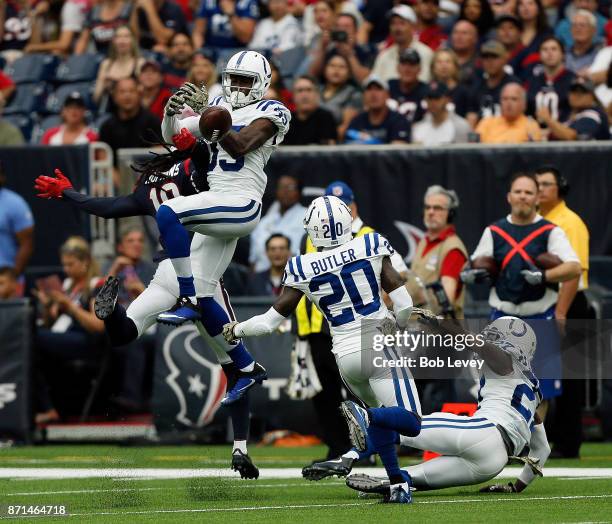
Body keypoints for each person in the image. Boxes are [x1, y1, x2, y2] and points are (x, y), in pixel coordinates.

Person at [33, 135, 260, 479]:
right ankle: (240, 447)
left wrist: (68, 192)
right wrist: (197, 137)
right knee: (236, 367)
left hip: (163, 271)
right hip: (198, 274)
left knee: (124, 333)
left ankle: (111, 313)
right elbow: (207, 156)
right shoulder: (193, 172)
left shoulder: (149, 184)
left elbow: (106, 208)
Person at [222, 195, 420, 503]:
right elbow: (405, 303)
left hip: (343, 354)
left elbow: (270, 322)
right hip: (378, 342)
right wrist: (400, 322)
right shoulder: (370, 244)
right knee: (411, 421)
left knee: (383, 415)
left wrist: (237, 329)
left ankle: (396, 483)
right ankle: (364, 420)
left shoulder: (301, 266)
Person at [153, 52, 291, 403]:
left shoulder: (274, 111)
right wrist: (171, 115)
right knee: (205, 295)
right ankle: (246, 368)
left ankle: (184, 293)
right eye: (234, 78)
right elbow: (175, 138)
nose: (238, 86)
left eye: (245, 80)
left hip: (240, 202)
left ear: (261, 82)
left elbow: (243, 145)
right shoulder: (216, 104)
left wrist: (215, 122)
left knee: (168, 213)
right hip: (218, 203)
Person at [344, 316, 550, 499]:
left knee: (407, 424)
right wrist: (516, 487)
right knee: (414, 476)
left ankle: (349, 453)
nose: (490, 338)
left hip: (483, 433)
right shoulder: (533, 392)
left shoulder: (506, 361)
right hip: (493, 463)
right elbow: (542, 448)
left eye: (496, 335)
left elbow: (479, 345)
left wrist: (442, 322)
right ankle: (398, 483)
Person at [294, 180, 411, 474]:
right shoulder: (319, 239)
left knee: (376, 402)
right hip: (325, 328)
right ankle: (345, 448)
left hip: (357, 329)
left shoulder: (368, 236)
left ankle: (364, 454)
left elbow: (399, 274)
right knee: (329, 395)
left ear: (352, 205)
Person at [463, 171, 581, 411]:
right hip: (502, 319)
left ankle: (533, 448)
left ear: (537, 198)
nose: (523, 197)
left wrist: (545, 276)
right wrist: (470, 274)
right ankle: (508, 444)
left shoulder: (550, 231)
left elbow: (574, 267)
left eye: (529, 192)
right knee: (498, 386)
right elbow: (474, 262)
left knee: (540, 392)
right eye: (518, 192)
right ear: (509, 197)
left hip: (539, 317)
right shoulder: (494, 231)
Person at [535, 165, 591, 458]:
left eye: (546, 184)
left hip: (569, 303)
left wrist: (560, 312)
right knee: (547, 376)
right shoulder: (540, 221)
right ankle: (551, 436)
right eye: (538, 184)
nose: (541, 189)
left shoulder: (570, 223)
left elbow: (575, 272)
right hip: (550, 304)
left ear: (560, 188)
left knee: (570, 377)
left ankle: (569, 443)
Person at [32, 236, 105, 424]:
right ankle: (46, 407)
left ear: (85, 262)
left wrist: (70, 306)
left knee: (31, 337)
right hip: (65, 338)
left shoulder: (97, 285)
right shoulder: (67, 285)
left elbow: (98, 326)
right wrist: (48, 307)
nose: (66, 269)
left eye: (71, 264)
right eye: (64, 265)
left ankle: (48, 408)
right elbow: (52, 324)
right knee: (31, 348)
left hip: (88, 342)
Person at [410, 185, 468, 317]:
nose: (431, 212)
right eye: (427, 207)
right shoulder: (424, 241)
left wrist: (413, 296)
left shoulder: (453, 249)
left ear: (450, 214)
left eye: (437, 208)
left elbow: (445, 301)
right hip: (418, 327)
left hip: (439, 331)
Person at [98, 77, 161, 186]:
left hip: (148, 181)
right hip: (115, 183)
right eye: (122, 92)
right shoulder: (106, 126)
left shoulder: (152, 122)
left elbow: (159, 154)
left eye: (131, 91)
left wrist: (141, 183)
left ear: (139, 94)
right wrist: (123, 184)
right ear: (114, 96)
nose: (127, 96)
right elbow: (103, 159)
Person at [249, 175, 306, 272]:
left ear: (299, 192)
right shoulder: (264, 221)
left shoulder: (308, 216)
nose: (285, 191)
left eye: (290, 187)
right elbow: (253, 260)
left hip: (293, 278)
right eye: (282, 187)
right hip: (262, 279)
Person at [371, 5, 433, 83]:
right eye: (393, 23)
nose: (397, 28)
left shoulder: (426, 53)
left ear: (413, 26)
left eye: (402, 23)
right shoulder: (384, 56)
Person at [307, 12, 373, 85]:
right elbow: (312, 75)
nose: (341, 30)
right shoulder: (330, 51)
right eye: (338, 26)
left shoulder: (366, 51)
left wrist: (350, 55)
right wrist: (323, 48)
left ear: (355, 31)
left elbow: (365, 80)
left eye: (346, 26)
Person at [466, 40, 521, 128]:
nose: (489, 61)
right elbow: (471, 115)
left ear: (504, 59)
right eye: (485, 57)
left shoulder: (513, 85)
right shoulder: (477, 86)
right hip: (483, 135)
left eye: (494, 57)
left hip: (508, 134)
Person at [536, 76, 610, 140]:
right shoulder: (569, 113)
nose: (577, 95)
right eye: (573, 91)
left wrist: (548, 120)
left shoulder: (593, 115)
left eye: (582, 92)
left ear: (591, 96)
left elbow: (572, 137)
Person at [345, 76, 411, 144]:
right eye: (369, 89)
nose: (373, 94)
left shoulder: (399, 121)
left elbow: (398, 150)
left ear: (387, 95)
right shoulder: (357, 121)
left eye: (378, 89)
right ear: (363, 96)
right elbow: (350, 148)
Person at [526, 36, 576, 122]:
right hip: (535, 131)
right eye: (545, 49)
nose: (549, 53)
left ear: (563, 55)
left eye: (554, 49)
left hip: (563, 131)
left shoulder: (573, 80)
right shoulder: (532, 81)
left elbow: (577, 111)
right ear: (540, 56)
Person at [93, 25, 144, 106]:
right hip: (111, 110)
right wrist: (104, 85)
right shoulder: (106, 64)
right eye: (118, 37)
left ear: (133, 40)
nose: (122, 41)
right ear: (113, 41)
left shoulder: (140, 63)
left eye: (126, 36)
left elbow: (144, 95)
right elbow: (96, 98)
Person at [475, 82, 543, 143]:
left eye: (514, 99)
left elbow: (534, 154)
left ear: (524, 104)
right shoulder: (486, 123)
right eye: (505, 99)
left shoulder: (531, 126)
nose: (508, 103)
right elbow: (474, 150)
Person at [0, 166, 33, 281]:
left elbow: (26, 244)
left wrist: (12, 277)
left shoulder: (15, 203)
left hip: (6, 279)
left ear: (2, 177)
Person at [24, 0, 92, 55]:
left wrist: (34, 47)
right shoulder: (55, 8)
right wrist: (35, 15)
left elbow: (64, 44)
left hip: (75, 56)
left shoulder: (71, 7)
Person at [284, 75, 337, 145]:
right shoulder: (286, 120)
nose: (304, 95)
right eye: (300, 91)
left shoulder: (326, 117)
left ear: (317, 94)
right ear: (293, 96)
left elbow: (329, 149)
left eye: (309, 90)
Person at [319, 54, 363, 140]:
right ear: (324, 70)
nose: (336, 70)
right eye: (332, 65)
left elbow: (345, 127)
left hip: (334, 143)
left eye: (342, 67)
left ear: (349, 73)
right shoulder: (315, 90)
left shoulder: (353, 94)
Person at [192, 0, 259, 49]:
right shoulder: (208, 2)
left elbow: (245, 38)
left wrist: (231, 14)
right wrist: (199, 52)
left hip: (236, 50)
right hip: (210, 49)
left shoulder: (247, 3)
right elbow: (198, 33)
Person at [387, 48, 429, 126]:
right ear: (397, 68)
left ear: (419, 69)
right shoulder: (388, 87)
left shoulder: (427, 92)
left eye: (412, 65)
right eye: (404, 64)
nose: (407, 69)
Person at [430, 48, 471, 116]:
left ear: (455, 66)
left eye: (448, 62)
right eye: (439, 62)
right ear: (433, 67)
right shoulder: (426, 91)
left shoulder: (465, 93)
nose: (444, 66)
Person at [565, 9, 601, 73]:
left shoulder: (600, 55)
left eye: (582, 25)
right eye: (575, 25)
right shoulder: (563, 54)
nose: (578, 29)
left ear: (593, 30)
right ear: (570, 30)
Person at [448, 20, 480, 85]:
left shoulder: (481, 61)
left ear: (475, 38)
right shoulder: (443, 57)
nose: (459, 37)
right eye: (455, 32)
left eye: (464, 33)